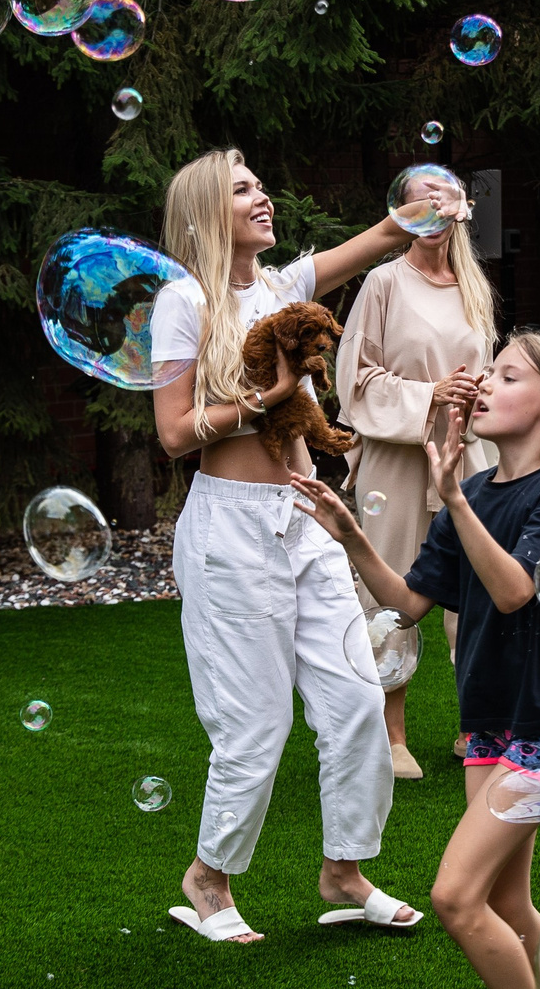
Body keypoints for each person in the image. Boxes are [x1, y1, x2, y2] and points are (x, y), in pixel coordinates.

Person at [293, 332, 540, 989]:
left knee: (455, 896)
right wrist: (351, 535)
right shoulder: (467, 486)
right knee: (508, 900)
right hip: (490, 723)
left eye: (507, 374)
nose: (483, 381)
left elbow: (511, 594)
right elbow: (408, 601)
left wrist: (458, 502)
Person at [150, 148, 445, 944]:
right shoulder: (183, 302)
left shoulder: (283, 287)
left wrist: (426, 199)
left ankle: (344, 871)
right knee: (254, 724)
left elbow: (385, 233)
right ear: (208, 211)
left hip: (309, 516)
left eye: (259, 183)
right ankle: (208, 878)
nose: (263, 196)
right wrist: (270, 400)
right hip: (230, 526)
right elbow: (175, 432)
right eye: (243, 188)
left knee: (355, 698)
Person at [333, 170, 499, 780]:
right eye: (421, 192)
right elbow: (355, 380)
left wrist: (482, 396)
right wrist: (431, 394)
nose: (435, 200)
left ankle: (475, 726)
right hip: (398, 459)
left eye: (446, 191)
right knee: (390, 587)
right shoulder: (383, 282)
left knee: (477, 590)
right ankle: (391, 732)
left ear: (463, 208)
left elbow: (486, 371)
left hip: (465, 453)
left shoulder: (475, 288)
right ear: (401, 208)